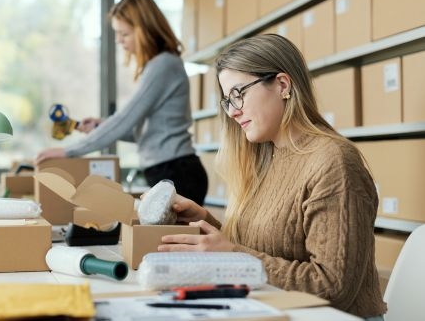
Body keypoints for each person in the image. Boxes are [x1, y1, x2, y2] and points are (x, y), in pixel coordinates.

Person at [157, 34, 387, 320]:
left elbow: (332, 287)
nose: (233, 111)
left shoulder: (334, 162)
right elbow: (264, 248)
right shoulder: (267, 156)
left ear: (282, 85)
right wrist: (204, 222)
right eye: (227, 100)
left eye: (239, 93)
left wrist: (232, 256)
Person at [35, 0, 208, 205]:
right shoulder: (158, 66)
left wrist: (69, 151)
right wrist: (101, 125)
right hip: (169, 170)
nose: (118, 40)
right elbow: (144, 132)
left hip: (177, 172)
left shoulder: (163, 65)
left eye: (124, 34)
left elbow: (125, 118)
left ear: (144, 30)